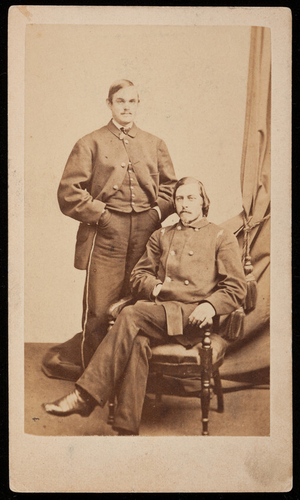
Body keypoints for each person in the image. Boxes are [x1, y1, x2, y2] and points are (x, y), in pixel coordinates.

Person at [44, 177, 247, 435]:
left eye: (191, 198)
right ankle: (127, 429)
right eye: (179, 198)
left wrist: (210, 305)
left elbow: (236, 288)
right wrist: (157, 288)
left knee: (130, 314)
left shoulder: (221, 236)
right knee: (137, 341)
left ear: (203, 202)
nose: (184, 204)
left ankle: (85, 395)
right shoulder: (161, 235)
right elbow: (139, 276)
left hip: (193, 318)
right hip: (158, 315)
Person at [42, 79, 177, 377]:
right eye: (120, 101)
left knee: (142, 304)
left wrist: (156, 213)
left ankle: (137, 381)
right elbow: (69, 192)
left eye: (132, 101)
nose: (127, 107)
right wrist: (102, 216)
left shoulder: (155, 143)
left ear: (139, 104)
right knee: (100, 311)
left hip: (147, 234)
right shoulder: (90, 142)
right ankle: (94, 384)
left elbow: (170, 187)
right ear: (109, 104)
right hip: (106, 233)